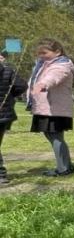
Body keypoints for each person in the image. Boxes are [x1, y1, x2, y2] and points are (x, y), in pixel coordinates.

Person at [26, 39, 74, 177]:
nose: (41, 55)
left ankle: (63, 168)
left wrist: (42, 85)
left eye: (44, 52)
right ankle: (66, 165)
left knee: (55, 137)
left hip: (54, 109)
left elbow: (53, 78)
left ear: (57, 52)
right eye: (39, 53)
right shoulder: (43, 65)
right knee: (53, 136)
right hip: (46, 108)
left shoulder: (61, 66)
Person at [0, 51, 27, 184]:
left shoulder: (8, 70)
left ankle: (1, 174)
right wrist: (10, 97)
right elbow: (22, 85)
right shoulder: (8, 70)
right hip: (4, 113)